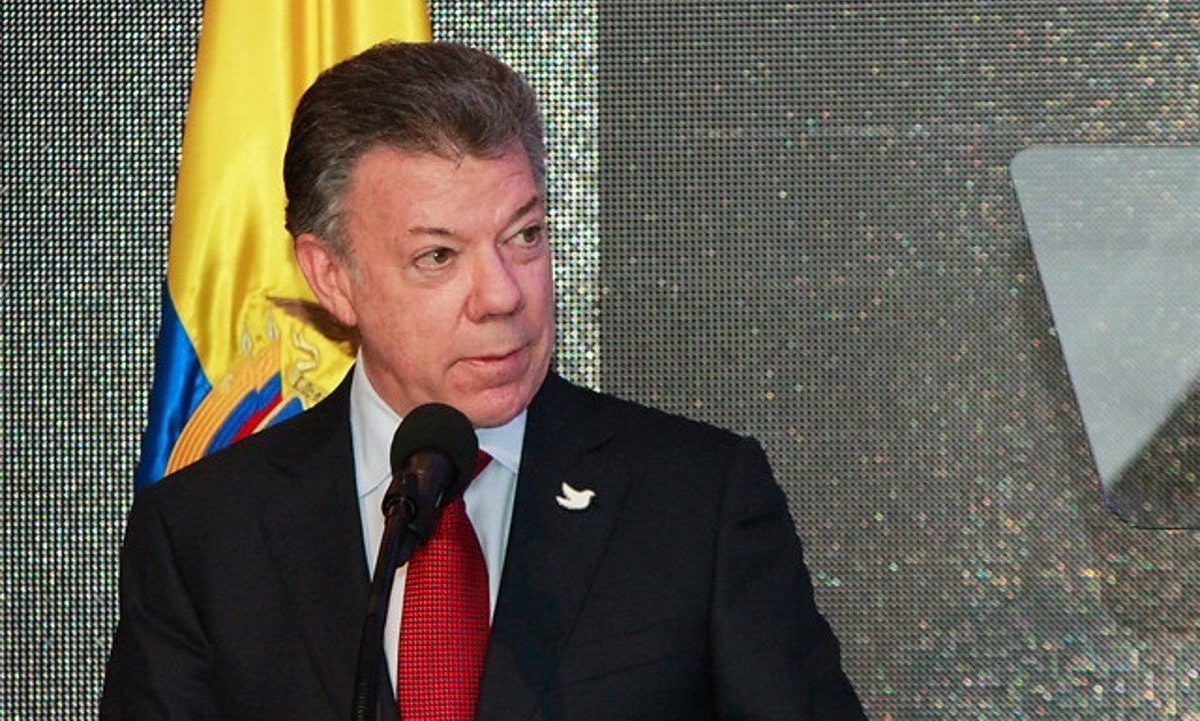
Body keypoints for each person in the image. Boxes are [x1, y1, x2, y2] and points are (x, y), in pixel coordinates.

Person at [101, 41, 865, 719]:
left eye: (523, 236)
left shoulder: (698, 500)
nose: (502, 295)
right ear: (331, 276)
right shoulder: (205, 535)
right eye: (438, 256)